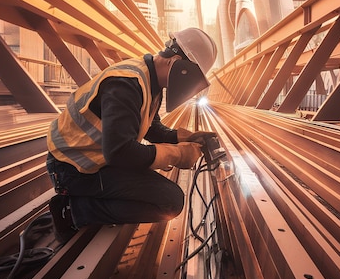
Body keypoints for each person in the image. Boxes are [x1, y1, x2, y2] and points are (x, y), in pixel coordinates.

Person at [46, 27, 218, 242]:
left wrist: (183, 137)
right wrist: (177, 155)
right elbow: (120, 152)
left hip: (96, 160)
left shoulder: (149, 80)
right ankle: (73, 211)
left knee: (165, 194)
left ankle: (83, 202)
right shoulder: (126, 84)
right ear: (175, 62)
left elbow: (151, 128)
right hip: (71, 167)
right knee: (170, 201)